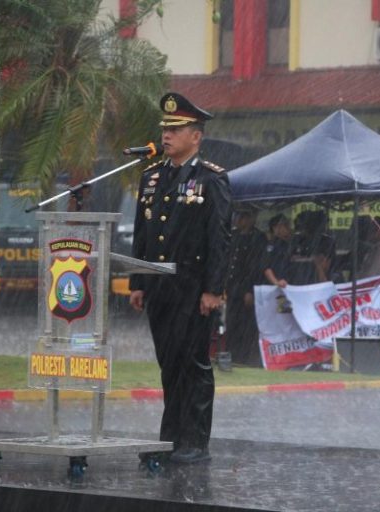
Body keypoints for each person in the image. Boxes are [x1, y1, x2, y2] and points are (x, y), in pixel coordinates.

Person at [129, 92, 232, 464]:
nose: (167, 135)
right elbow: (142, 234)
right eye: (165, 129)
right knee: (169, 363)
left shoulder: (211, 179)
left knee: (194, 364)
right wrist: (138, 282)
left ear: (196, 136)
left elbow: (220, 239)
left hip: (193, 288)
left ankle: (194, 440)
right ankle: (169, 438)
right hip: (159, 287)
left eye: (177, 129)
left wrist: (213, 289)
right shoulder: (153, 178)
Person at [224, 206, 268, 366]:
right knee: (232, 322)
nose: (238, 220)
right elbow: (229, 262)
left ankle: (245, 358)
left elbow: (255, 266)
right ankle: (232, 355)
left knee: (246, 325)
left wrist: (249, 289)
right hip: (232, 287)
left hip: (246, 288)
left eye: (243, 217)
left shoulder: (258, 238)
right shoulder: (233, 235)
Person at [287, 210, 335, 285]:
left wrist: (316, 262)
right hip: (297, 281)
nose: (301, 230)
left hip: (319, 282)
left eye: (302, 227)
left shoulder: (326, 241)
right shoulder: (296, 240)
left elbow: (326, 265)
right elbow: (290, 260)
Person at [263, 213, 292, 287]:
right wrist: (276, 282)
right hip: (278, 286)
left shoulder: (291, 243)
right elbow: (267, 268)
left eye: (287, 224)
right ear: (275, 228)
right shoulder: (271, 246)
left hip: (291, 284)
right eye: (284, 225)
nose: (288, 227)